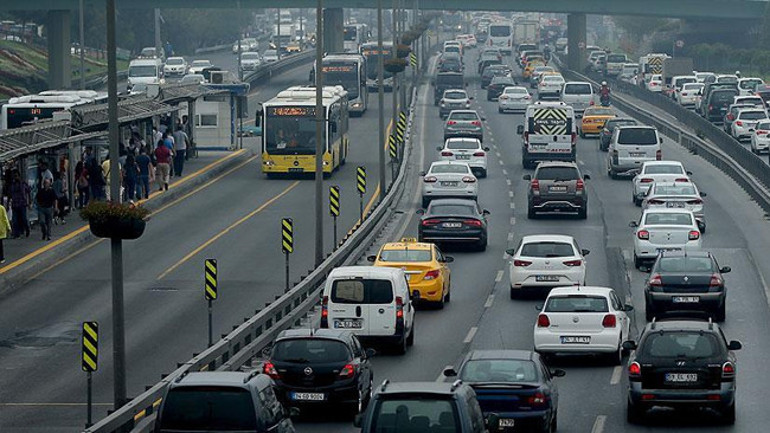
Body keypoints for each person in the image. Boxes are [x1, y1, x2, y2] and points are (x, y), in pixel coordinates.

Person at [9, 173, 30, 238]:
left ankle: (27, 229)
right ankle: (16, 233)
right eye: (14, 176)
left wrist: (29, 202)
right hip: (15, 204)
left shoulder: (23, 184)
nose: (15, 178)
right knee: (15, 220)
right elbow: (10, 195)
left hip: (22, 204)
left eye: (16, 176)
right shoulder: (12, 185)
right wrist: (8, 204)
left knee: (24, 219)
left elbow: (28, 192)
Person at [0, 198, 10, 263]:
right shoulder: (2, 208)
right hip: (1, 229)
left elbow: (5, 218)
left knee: (0, 245)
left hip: (1, 229)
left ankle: (1, 257)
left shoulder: (2, 208)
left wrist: (8, 227)